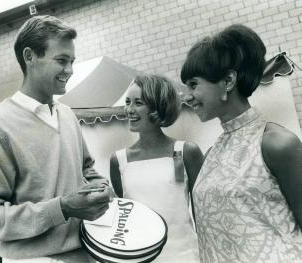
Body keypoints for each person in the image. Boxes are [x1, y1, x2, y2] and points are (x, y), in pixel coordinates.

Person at [0, 15, 111, 262]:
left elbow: (86, 171)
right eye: (61, 60)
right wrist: (62, 208)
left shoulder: (67, 114)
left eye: (72, 61)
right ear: (29, 57)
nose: (69, 70)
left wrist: (101, 188)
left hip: (86, 254)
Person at [180, 24, 302, 263]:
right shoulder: (213, 152)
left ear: (227, 81)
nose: (186, 96)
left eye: (193, 84)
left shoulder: (276, 144)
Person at [110, 74, 204, 262]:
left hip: (184, 256)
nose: (129, 109)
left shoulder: (187, 151)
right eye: (127, 102)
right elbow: (124, 216)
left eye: (138, 103)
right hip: (139, 258)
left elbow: (202, 214)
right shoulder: (119, 160)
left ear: (157, 107)